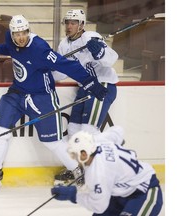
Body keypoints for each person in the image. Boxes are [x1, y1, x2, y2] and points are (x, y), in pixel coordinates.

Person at [0, 14, 109, 188]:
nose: (21, 37)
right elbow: (9, 48)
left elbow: (66, 65)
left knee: (51, 141)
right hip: (17, 93)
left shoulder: (39, 48)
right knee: (0, 131)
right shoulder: (10, 38)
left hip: (41, 96)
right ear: (12, 34)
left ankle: (78, 170)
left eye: (24, 33)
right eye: (17, 34)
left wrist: (90, 82)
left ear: (29, 31)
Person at [52, 9, 119, 185]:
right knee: (73, 130)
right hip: (85, 88)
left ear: (81, 25)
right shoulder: (64, 45)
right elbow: (60, 73)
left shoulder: (91, 37)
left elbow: (111, 60)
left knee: (88, 132)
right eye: (67, 22)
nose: (69, 26)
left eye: (73, 23)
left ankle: (97, 172)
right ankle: (76, 168)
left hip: (102, 85)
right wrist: (44, 75)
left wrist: (100, 52)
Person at [51, 126, 163, 215]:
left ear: (84, 153)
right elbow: (118, 130)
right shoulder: (99, 142)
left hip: (145, 192)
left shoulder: (98, 173)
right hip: (119, 194)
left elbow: (99, 206)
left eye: (74, 155)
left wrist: (73, 196)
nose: (74, 158)